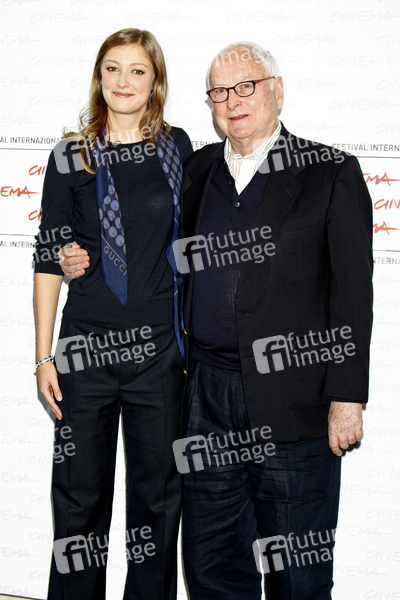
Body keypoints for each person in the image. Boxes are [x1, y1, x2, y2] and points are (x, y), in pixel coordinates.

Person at [60, 42, 373, 600]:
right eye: (220, 92)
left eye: (247, 86)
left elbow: (353, 295)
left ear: (277, 91)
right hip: (203, 398)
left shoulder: (330, 172)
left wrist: (347, 397)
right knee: (212, 565)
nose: (233, 101)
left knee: (297, 574)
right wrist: (74, 251)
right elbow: (139, 228)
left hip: (293, 402)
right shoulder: (196, 167)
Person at [34, 28, 192, 600]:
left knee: (159, 504)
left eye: (137, 70)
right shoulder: (70, 154)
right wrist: (43, 357)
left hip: (160, 354)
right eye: (112, 68)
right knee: (78, 502)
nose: (124, 81)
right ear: (99, 77)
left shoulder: (178, 148)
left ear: (155, 82)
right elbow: (49, 256)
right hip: (84, 352)